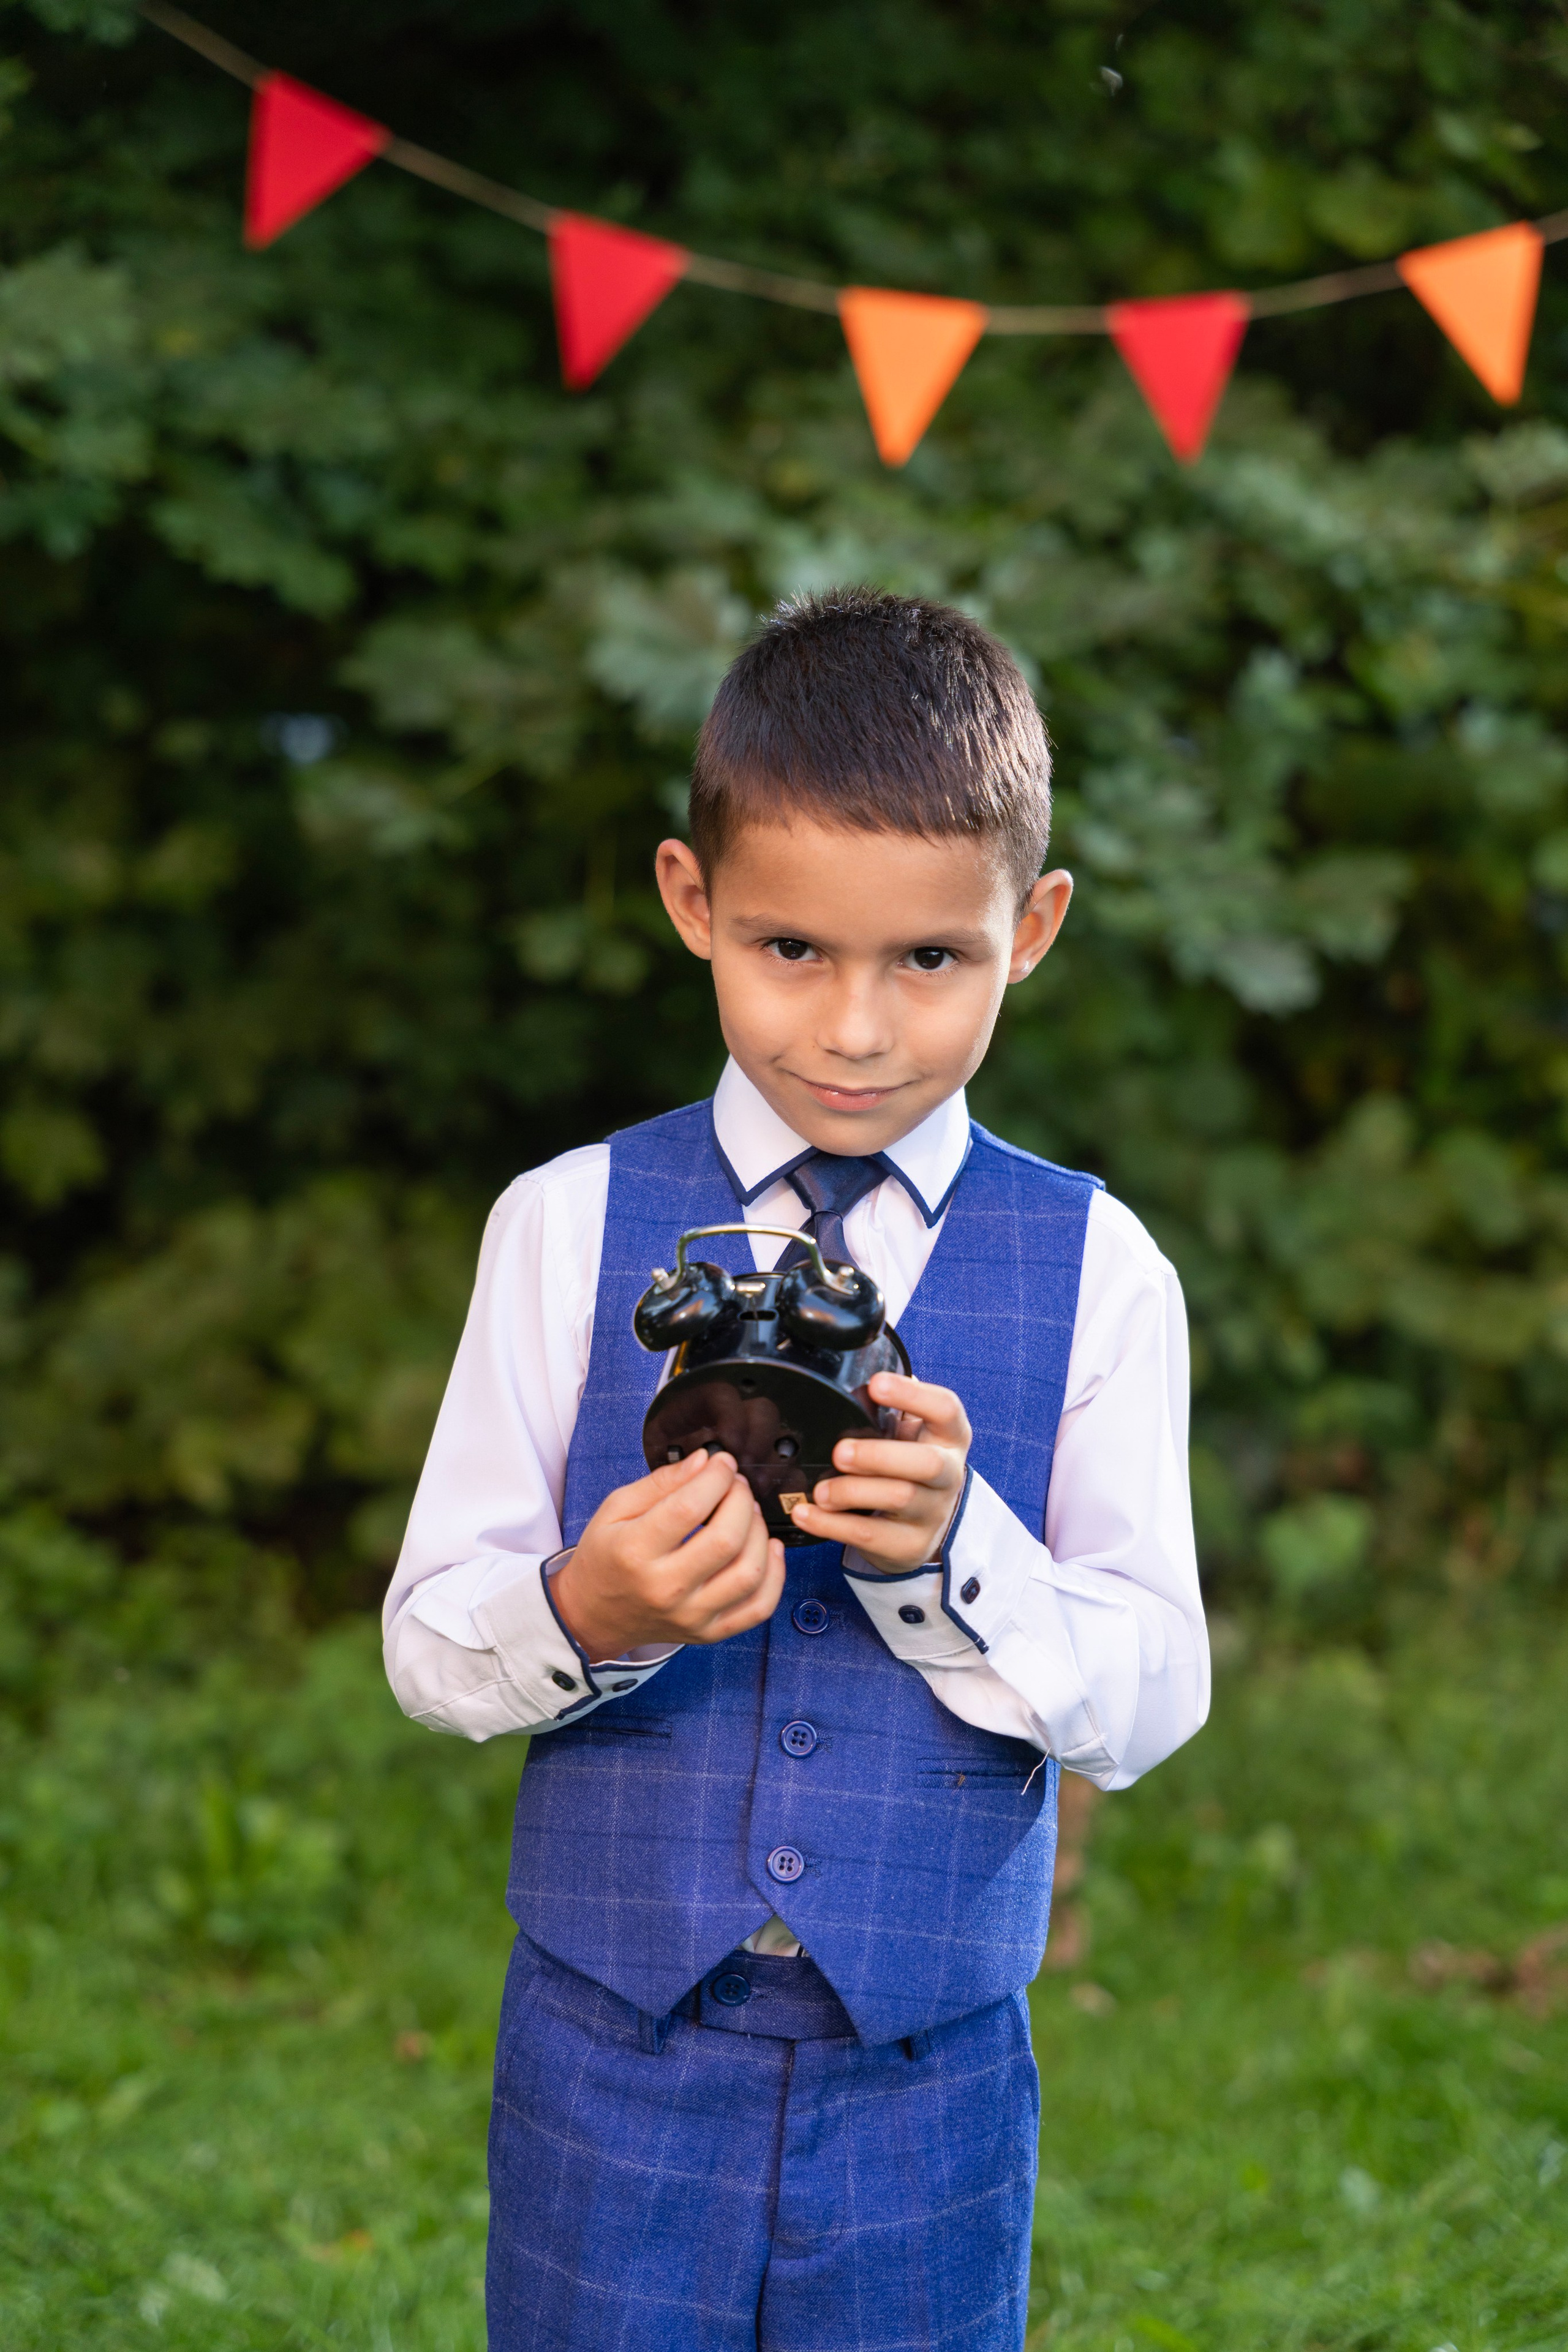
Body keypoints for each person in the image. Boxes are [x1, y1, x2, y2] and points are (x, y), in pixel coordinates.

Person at [384, 587, 1208, 2352]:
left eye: (930, 960)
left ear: (1034, 928)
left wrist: (958, 1558)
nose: (853, 1029)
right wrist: (585, 1608)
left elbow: (1152, 1698)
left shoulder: (1104, 1267)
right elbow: (430, 1642)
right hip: (611, 2054)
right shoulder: (566, 1225)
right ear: (692, 901)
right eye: (790, 950)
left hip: (929, 2071)